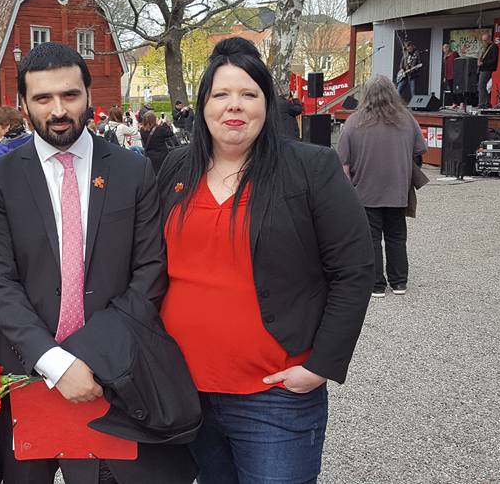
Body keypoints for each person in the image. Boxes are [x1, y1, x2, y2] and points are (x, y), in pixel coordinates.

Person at [156, 37, 374, 483]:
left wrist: (320, 365)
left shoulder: (310, 168)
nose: (234, 106)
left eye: (248, 94)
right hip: (186, 391)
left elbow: (353, 269)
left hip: (273, 395)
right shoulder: (176, 168)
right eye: (221, 94)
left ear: (267, 104)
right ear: (203, 105)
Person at [0, 42, 195, 484]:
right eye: (43, 98)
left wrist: (90, 356)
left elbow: (150, 270)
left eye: (70, 95)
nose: (58, 110)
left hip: (112, 370)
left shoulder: (133, 171)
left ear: (89, 96)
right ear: (23, 104)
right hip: (29, 369)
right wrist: (55, 362)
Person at [337, 74, 426, 298]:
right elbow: (419, 150)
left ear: (365, 94)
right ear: (393, 93)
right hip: (398, 189)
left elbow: (344, 164)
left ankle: (376, 284)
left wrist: (348, 194)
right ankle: (399, 282)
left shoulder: (353, 122)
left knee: (371, 239)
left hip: (365, 191)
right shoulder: (406, 119)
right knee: (397, 237)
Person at [140, 110, 174, 174]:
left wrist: (158, 125)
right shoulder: (159, 129)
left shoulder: (142, 130)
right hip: (161, 156)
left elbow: (151, 130)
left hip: (149, 156)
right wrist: (165, 124)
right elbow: (170, 133)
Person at [478, 33, 499, 108]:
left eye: (485, 40)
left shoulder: (494, 47)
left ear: (489, 39)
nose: (484, 42)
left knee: (481, 86)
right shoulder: (486, 47)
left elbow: (493, 60)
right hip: (483, 69)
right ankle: (485, 103)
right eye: (483, 40)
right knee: (482, 86)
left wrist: (483, 63)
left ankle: (483, 103)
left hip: (487, 69)